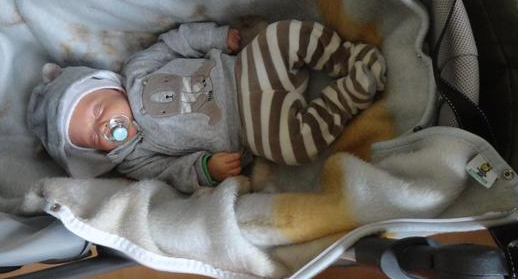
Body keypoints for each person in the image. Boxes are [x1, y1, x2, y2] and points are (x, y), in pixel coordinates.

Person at [27, 20, 386, 193]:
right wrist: (206, 168)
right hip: (252, 128)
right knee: (293, 147)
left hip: (245, 69)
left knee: (282, 36)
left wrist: (214, 37)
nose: (104, 126)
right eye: (93, 137)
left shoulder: (136, 71)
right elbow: (173, 173)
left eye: (96, 111)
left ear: (105, 86)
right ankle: (351, 92)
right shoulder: (135, 160)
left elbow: (174, 43)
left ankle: (347, 59)